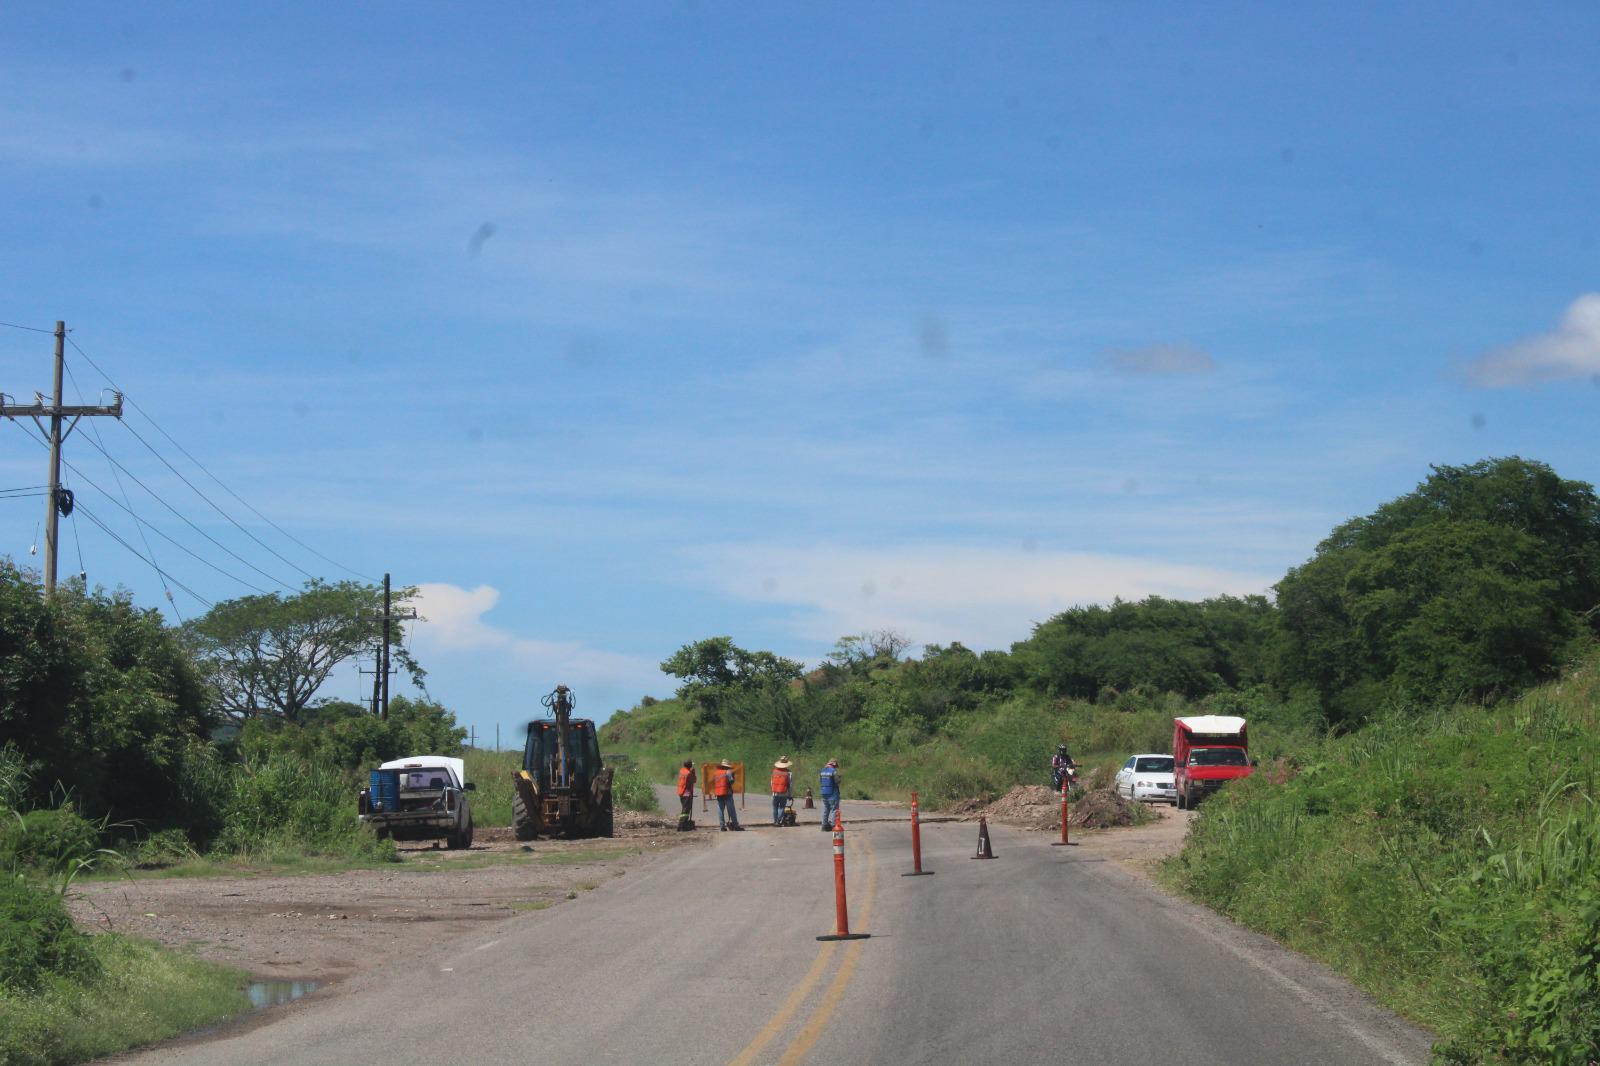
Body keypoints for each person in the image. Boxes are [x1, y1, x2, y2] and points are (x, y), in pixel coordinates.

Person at [711, 759, 743, 831]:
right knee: (731, 810)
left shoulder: (716, 773)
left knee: (720, 810)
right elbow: (731, 781)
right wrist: (733, 777)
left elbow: (714, 782)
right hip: (727, 793)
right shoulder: (728, 772)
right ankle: (735, 825)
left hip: (719, 793)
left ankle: (722, 826)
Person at [770, 757, 794, 826]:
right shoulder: (789, 773)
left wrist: (773, 790)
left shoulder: (774, 772)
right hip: (784, 793)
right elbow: (790, 785)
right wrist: (790, 795)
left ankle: (775, 821)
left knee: (775, 807)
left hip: (775, 793)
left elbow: (771, 783)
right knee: (781, 807)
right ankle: (778, 821)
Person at [818, 758, 841, 832]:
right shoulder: (833, 771)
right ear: (834, 765)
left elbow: (820, 781)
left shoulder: (822, 771)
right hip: (833, 793)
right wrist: (840, 778)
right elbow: (837, 782)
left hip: (824, 792)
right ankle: (834, 825)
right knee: (834, 810)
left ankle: (824, 825)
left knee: (826, 809)